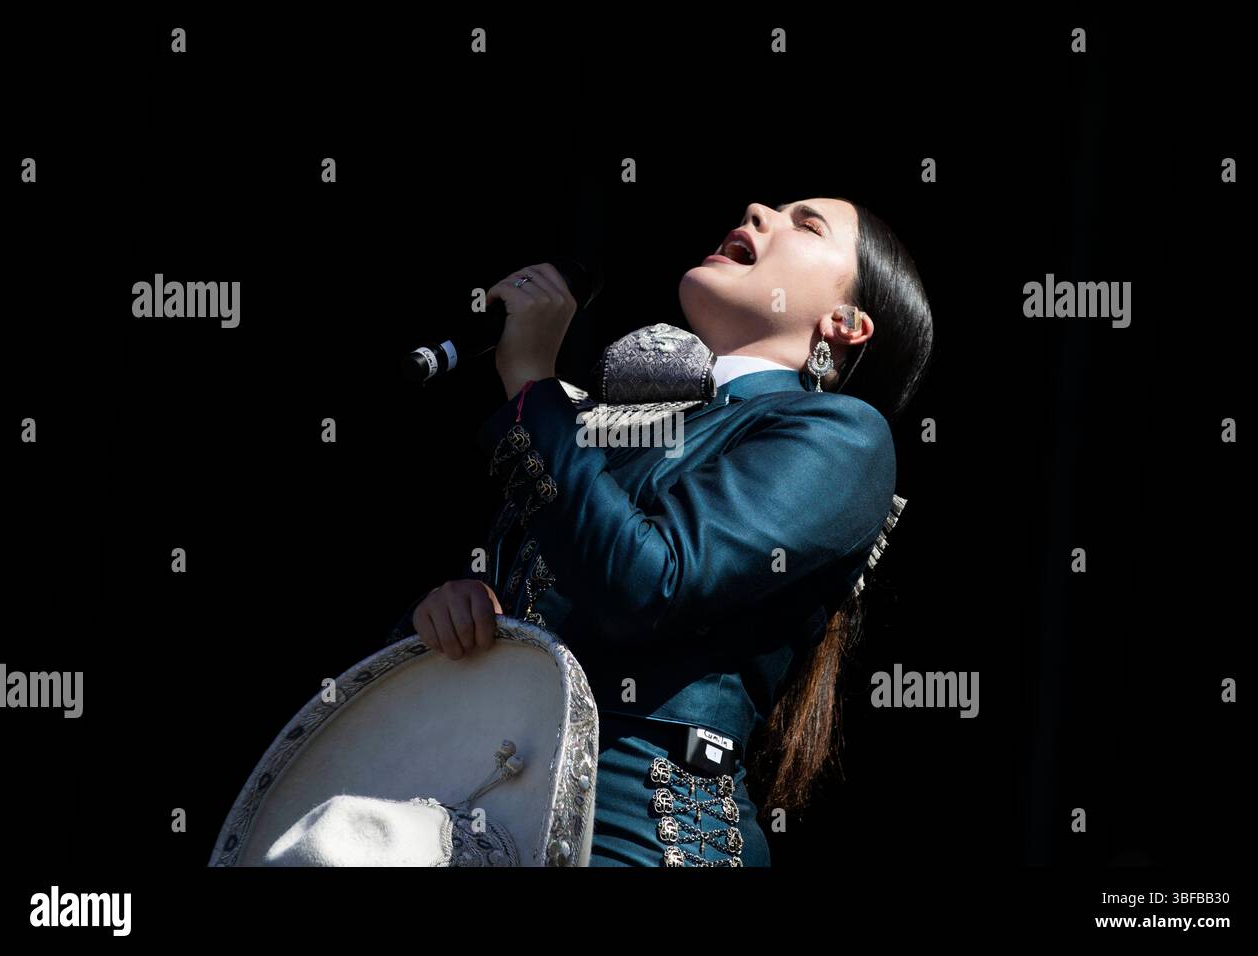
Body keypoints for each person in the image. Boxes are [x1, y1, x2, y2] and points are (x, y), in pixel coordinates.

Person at [394, 196, 935, 866]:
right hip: (478, 810)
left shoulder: (844, 436)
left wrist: (532, 381)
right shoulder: (604, 428)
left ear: (845, 323)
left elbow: (650, 583)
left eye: (807, 224)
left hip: (638, 834)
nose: (759, 210)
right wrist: (455, 616)